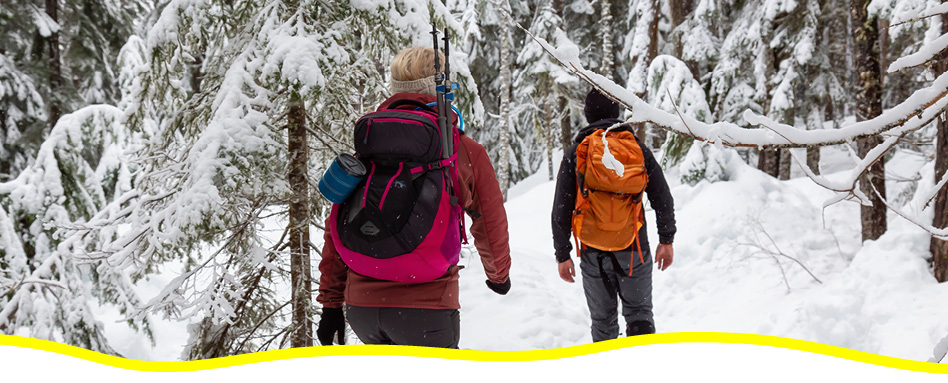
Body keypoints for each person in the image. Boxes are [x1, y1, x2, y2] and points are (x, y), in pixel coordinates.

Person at [315, 47, 512, 348]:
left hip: (362, 308)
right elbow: (489, 220)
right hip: (428, 309)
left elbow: (338, 223)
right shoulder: (463, 150)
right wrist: (498, 276)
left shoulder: (370, 143)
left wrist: (331, 305)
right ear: (442, 88)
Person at [551, 88, 676, 341]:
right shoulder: (637, 149)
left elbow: (560, 210)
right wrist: (667, 240)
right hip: (634, 248)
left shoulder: (576, 154)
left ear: (588, 116)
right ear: (617, 113)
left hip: (591, 250)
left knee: (603, 322)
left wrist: (562, 254)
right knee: (640, 316)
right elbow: (662, 198)